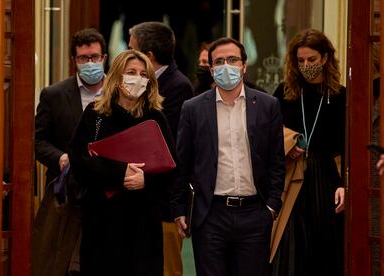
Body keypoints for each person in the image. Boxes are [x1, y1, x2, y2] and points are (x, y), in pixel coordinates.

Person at [171, 37, 285, 276]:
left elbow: (276, 160)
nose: (226, 66)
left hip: (255, 213)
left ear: (244, 65)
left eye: (232, 60)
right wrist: (179, 208)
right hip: (210, 214)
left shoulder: (267, 105)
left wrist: (272, 206)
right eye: (219, 61)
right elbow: (183, 162)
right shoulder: (193, 108)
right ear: (211, 69)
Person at [68, 49, 177, 276]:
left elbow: (171, 169)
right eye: (131, 72)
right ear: (117, 76)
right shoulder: (95, 114)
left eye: (143, 74)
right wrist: (121, 174)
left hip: (144, 224)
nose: (137, 78)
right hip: (102, 223)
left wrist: (144, 180)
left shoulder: (155, 117)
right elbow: (79, 160)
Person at [270, 29, 346, 276]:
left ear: (325, 58)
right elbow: (267, 133)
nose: (305, 65)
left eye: (311, 60)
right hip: (291, 176)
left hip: (325, 176)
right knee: (289, 249)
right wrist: (287, 145)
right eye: (300, 60)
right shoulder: (285, 92)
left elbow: (348, 145)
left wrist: (346, 183)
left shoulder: (340, 95)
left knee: (325, 248)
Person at [33, 27, 107, 276]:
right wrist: (61, 157)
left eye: (95, 57)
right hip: (67, 193)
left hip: (108, 193)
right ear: (74, 61)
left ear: (104, 58)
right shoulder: (54, 95)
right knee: (60, 263)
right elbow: (39, 141)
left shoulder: (119, 94)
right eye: (84, 58)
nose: (90, 63)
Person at [128, 21, 194, 276]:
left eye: (132, 49)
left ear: (148, 56)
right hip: (136, 196)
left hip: (162, 201)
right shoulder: (138, 83)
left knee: (166, 269)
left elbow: (170, 147)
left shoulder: (177, 86)